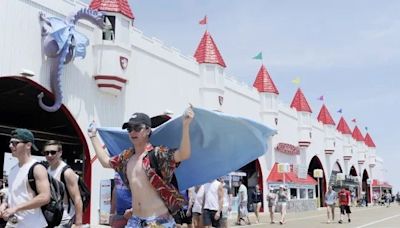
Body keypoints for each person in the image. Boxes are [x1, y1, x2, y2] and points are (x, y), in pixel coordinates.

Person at [88, 107, 194, 227]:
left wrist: (186, 125)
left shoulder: (158, 154)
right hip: (135, 221)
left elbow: (183, 154)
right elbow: (106, 162)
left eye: (137, 128)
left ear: (148, 130)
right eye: (129, 129)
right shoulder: (126, 157)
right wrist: (93, 136)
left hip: (158, 221)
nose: (133, 132)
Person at [0, 129, 50, 227]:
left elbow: (45, 197)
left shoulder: (37, 168)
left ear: (28, 145)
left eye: (15, 143)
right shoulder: (13, 169)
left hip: (32, 224)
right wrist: (4, 204)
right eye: (10, 143)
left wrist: (15, 208)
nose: (10, 146)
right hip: (13, 223)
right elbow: (12, 193)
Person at [42, 140, 83, 227]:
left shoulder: (67, 172)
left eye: (53, 152)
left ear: (60, 153)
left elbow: (77, 198)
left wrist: (78, 223)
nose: (49, 155)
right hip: (52, 215)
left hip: (64, 218)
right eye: (46, 153)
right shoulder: (47, 170)